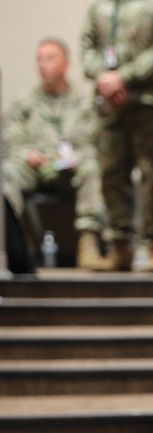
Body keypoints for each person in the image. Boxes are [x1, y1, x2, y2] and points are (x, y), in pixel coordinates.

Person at [82, 0, 153, 272]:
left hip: (147, 102)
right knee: (112, 174)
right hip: (109, 106)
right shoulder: (99, 7)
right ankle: (120, 247)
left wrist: (123, 77)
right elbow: (87, 48)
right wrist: (104, 78)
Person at [2, 38, 108, 270]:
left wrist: (76, 159)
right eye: (39, 59)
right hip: (35, 167)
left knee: (92, 168)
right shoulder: (24, 103)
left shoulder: (85, 101)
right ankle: (13, 247)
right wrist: (26, 153)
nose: (43, 65)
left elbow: (97, 141)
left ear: (66, 65)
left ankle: (88, 244)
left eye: (50, 59)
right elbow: (9, 139)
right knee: (7, 170)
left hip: (70, 169)